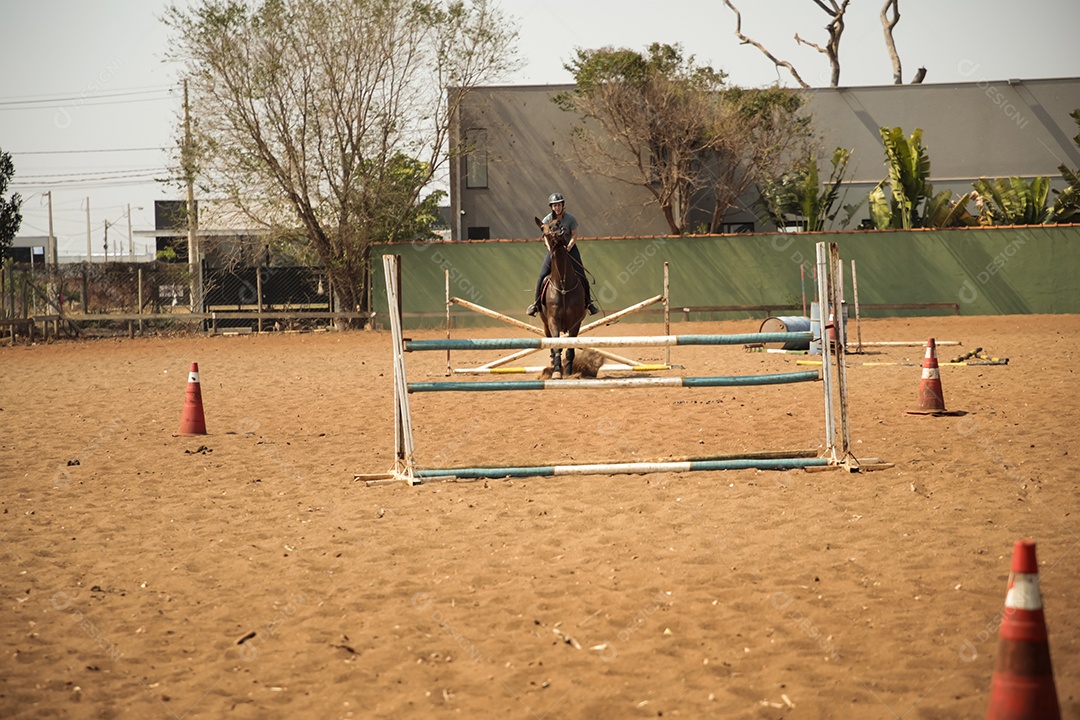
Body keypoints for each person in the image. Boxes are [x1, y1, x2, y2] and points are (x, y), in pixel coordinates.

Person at [527, 192, 599, 316]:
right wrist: (550, 248)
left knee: (582, 275)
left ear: (562, 205)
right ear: (551, 207)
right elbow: (545, 237)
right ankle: (536, 304)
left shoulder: (570, 219)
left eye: (559, 205)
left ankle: (588, 303)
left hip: (570, 249)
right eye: (554, 206)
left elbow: (574, 234)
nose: (557, 208)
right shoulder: (547, 220)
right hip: (554, 250)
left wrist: (570, 246)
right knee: (542, 275)